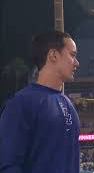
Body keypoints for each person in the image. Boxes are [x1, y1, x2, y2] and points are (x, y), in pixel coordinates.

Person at [0, 30, 80, 173]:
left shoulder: (68, 103)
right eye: (72, 55)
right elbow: (9, 164)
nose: (77, 63)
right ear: (53, 55)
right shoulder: (21, 103)